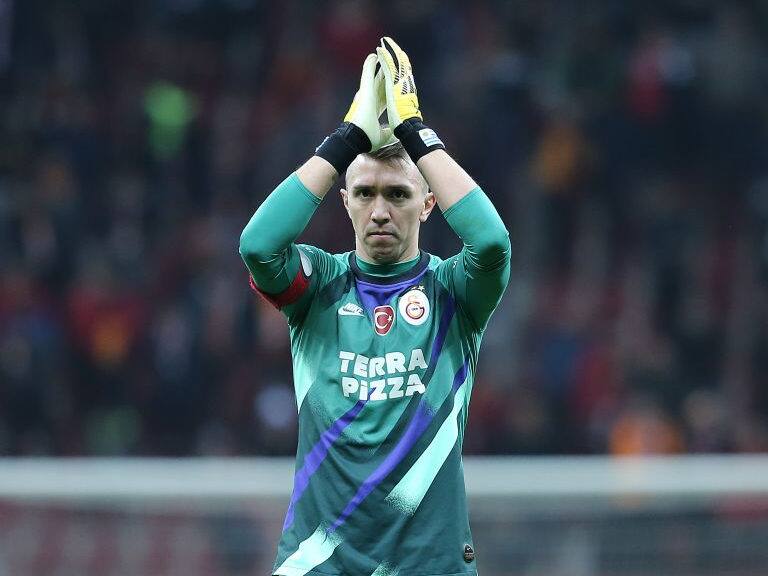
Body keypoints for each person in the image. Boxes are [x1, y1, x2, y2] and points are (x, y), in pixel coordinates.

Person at [239, 37, 510, 576]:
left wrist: (415, 131)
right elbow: (258, 246)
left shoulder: (454, 292)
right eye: (364, 193)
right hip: (318, 562)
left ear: (429, 203)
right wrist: (346, 140)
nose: (380, 209)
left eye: (399, 194)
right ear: (344, 201)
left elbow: (492, 243)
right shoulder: (320, 287)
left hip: (428, 564)